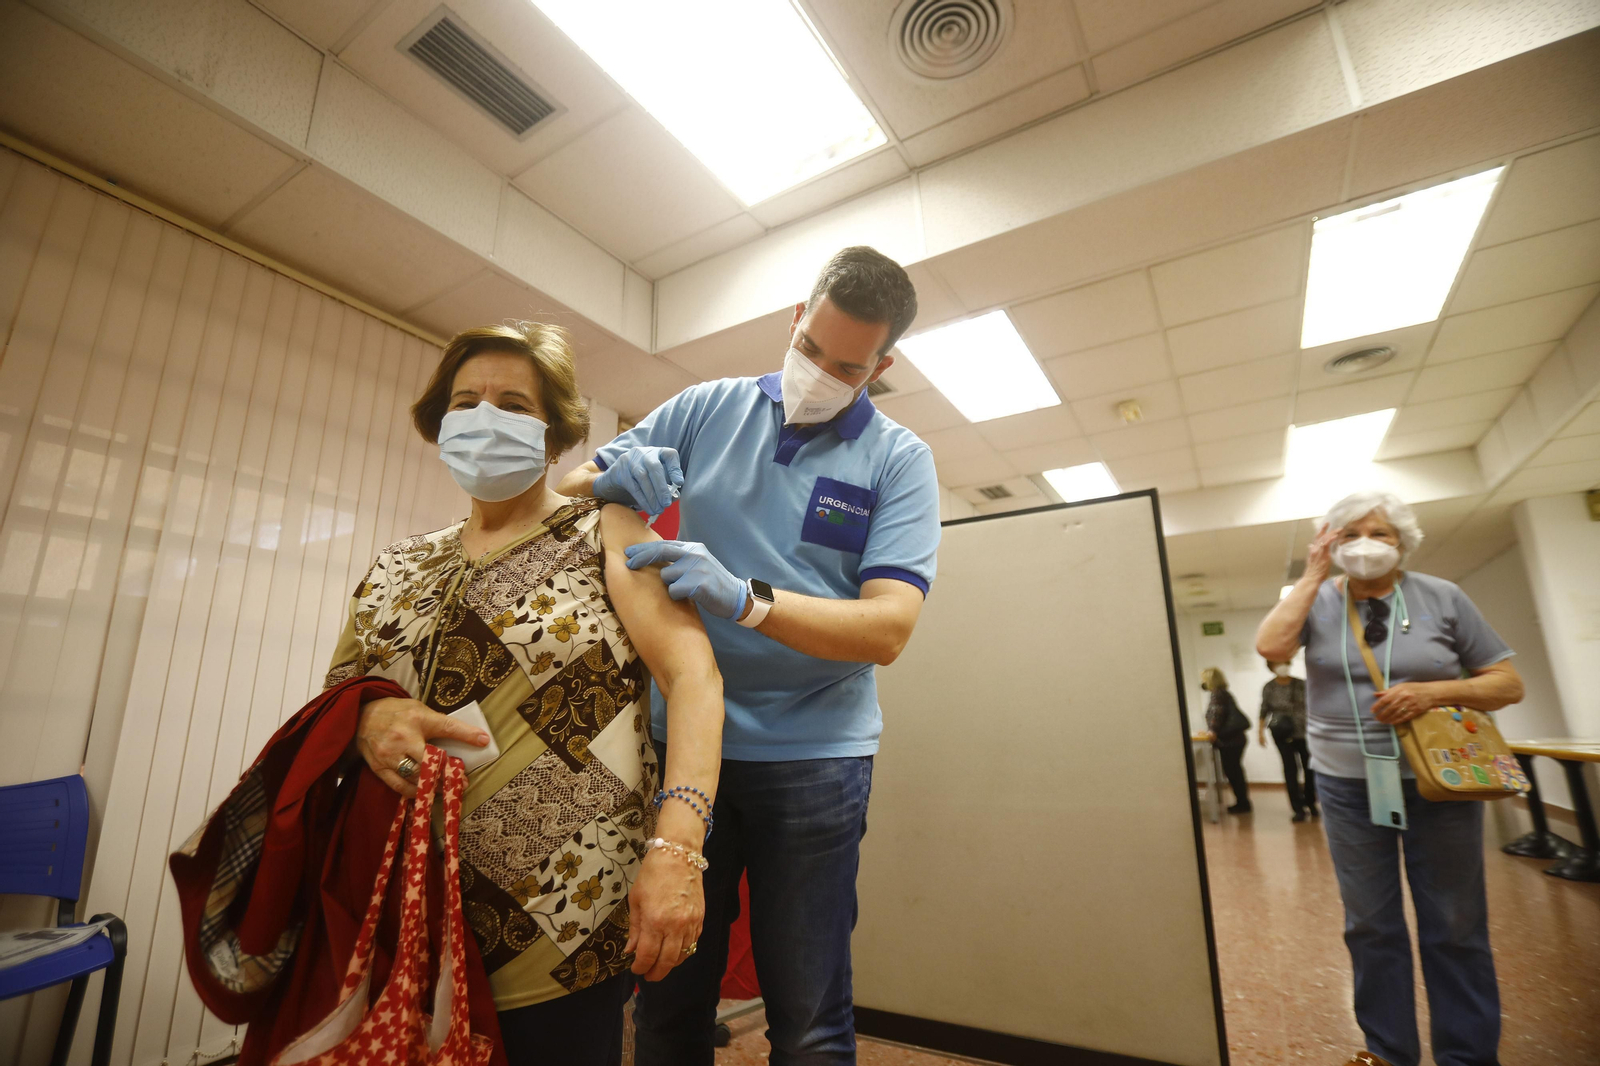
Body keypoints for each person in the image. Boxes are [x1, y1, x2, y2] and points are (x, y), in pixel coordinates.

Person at [557, 246, 940, 1065]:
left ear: (882, 364)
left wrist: (748, 599)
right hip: (691, 750)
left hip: (817, 757)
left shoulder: (899, 461)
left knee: (808, 1020)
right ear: (794, 320)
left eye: (845, 366)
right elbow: (568, 485)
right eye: (810, 349)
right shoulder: (710, 407)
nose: (818, 372)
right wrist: (613, 472)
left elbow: (889, 629)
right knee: (667, 1002)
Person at [328, 322, 726, 1066]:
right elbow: (343, 693)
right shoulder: (399, 564)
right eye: (466, 401)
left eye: (512, 403)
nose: (485, 417)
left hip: (562, 908)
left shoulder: (604, 532)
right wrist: (371, 716)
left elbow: (693, 678)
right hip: (413, 895)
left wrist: (679, 849)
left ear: (554, 434)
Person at [1255, 490, 1524, 1066]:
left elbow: (1506, 683)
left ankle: (1468, 1056)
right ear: (1331, 542)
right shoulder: (1318, 600)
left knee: (1454, 921)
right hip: (1346, 783)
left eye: (1381, 534)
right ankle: (1388, 1050)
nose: (1367, 545)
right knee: (1371, 923)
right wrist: (1313, 574)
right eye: (1351, 534)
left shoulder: (1442, 597)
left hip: (1442, 779)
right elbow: (1271, 646)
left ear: (1404, 543)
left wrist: (1435, 690)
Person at [1258, 660, 1317, 821]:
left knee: (1309, 768)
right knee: (1290, 769)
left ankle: (1311, 802)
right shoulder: (1269, 687)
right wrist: (1260, 732)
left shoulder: (1301, 684)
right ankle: (1297, 808)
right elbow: (1264, 709)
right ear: (1271, 667)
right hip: (1282, 733)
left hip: (1304, 732)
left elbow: (1313, 704)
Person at [1201, 667, 1251, 814]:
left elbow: (1217, 714)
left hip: (1230, 741)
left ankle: (1243, 803)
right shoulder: (1224, 693)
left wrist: (1212, 731)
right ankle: (1243, 802)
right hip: (1236, 739)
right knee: (1235, 771)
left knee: (1233, 772)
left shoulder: (1217, 694)